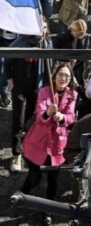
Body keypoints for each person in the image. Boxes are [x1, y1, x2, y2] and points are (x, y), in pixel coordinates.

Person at [21, 64, 77, 207]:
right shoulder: (44, 91)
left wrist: (62, 117)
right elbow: (40, 114)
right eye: (60, 75)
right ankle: (22, 195)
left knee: (53, 179)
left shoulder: (72, 94)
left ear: (70, 79)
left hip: (57, 144)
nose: (63, 78)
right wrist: (49, 112)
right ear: (54, 76)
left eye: (66, 76)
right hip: (39, 141)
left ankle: (49, 209)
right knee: (34, 177)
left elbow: (70, 117)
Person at [5, 22, 52, 172]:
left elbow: (51, 64)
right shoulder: (20, 42)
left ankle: (27, 145)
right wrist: (9, 80)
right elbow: (7, 61)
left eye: (44, 26)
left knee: (31, 118)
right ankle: (16, 154)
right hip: (19, 86)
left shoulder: (47, 43)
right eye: (38, 26)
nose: (41, 30)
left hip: (36, 87)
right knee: (18, 119)